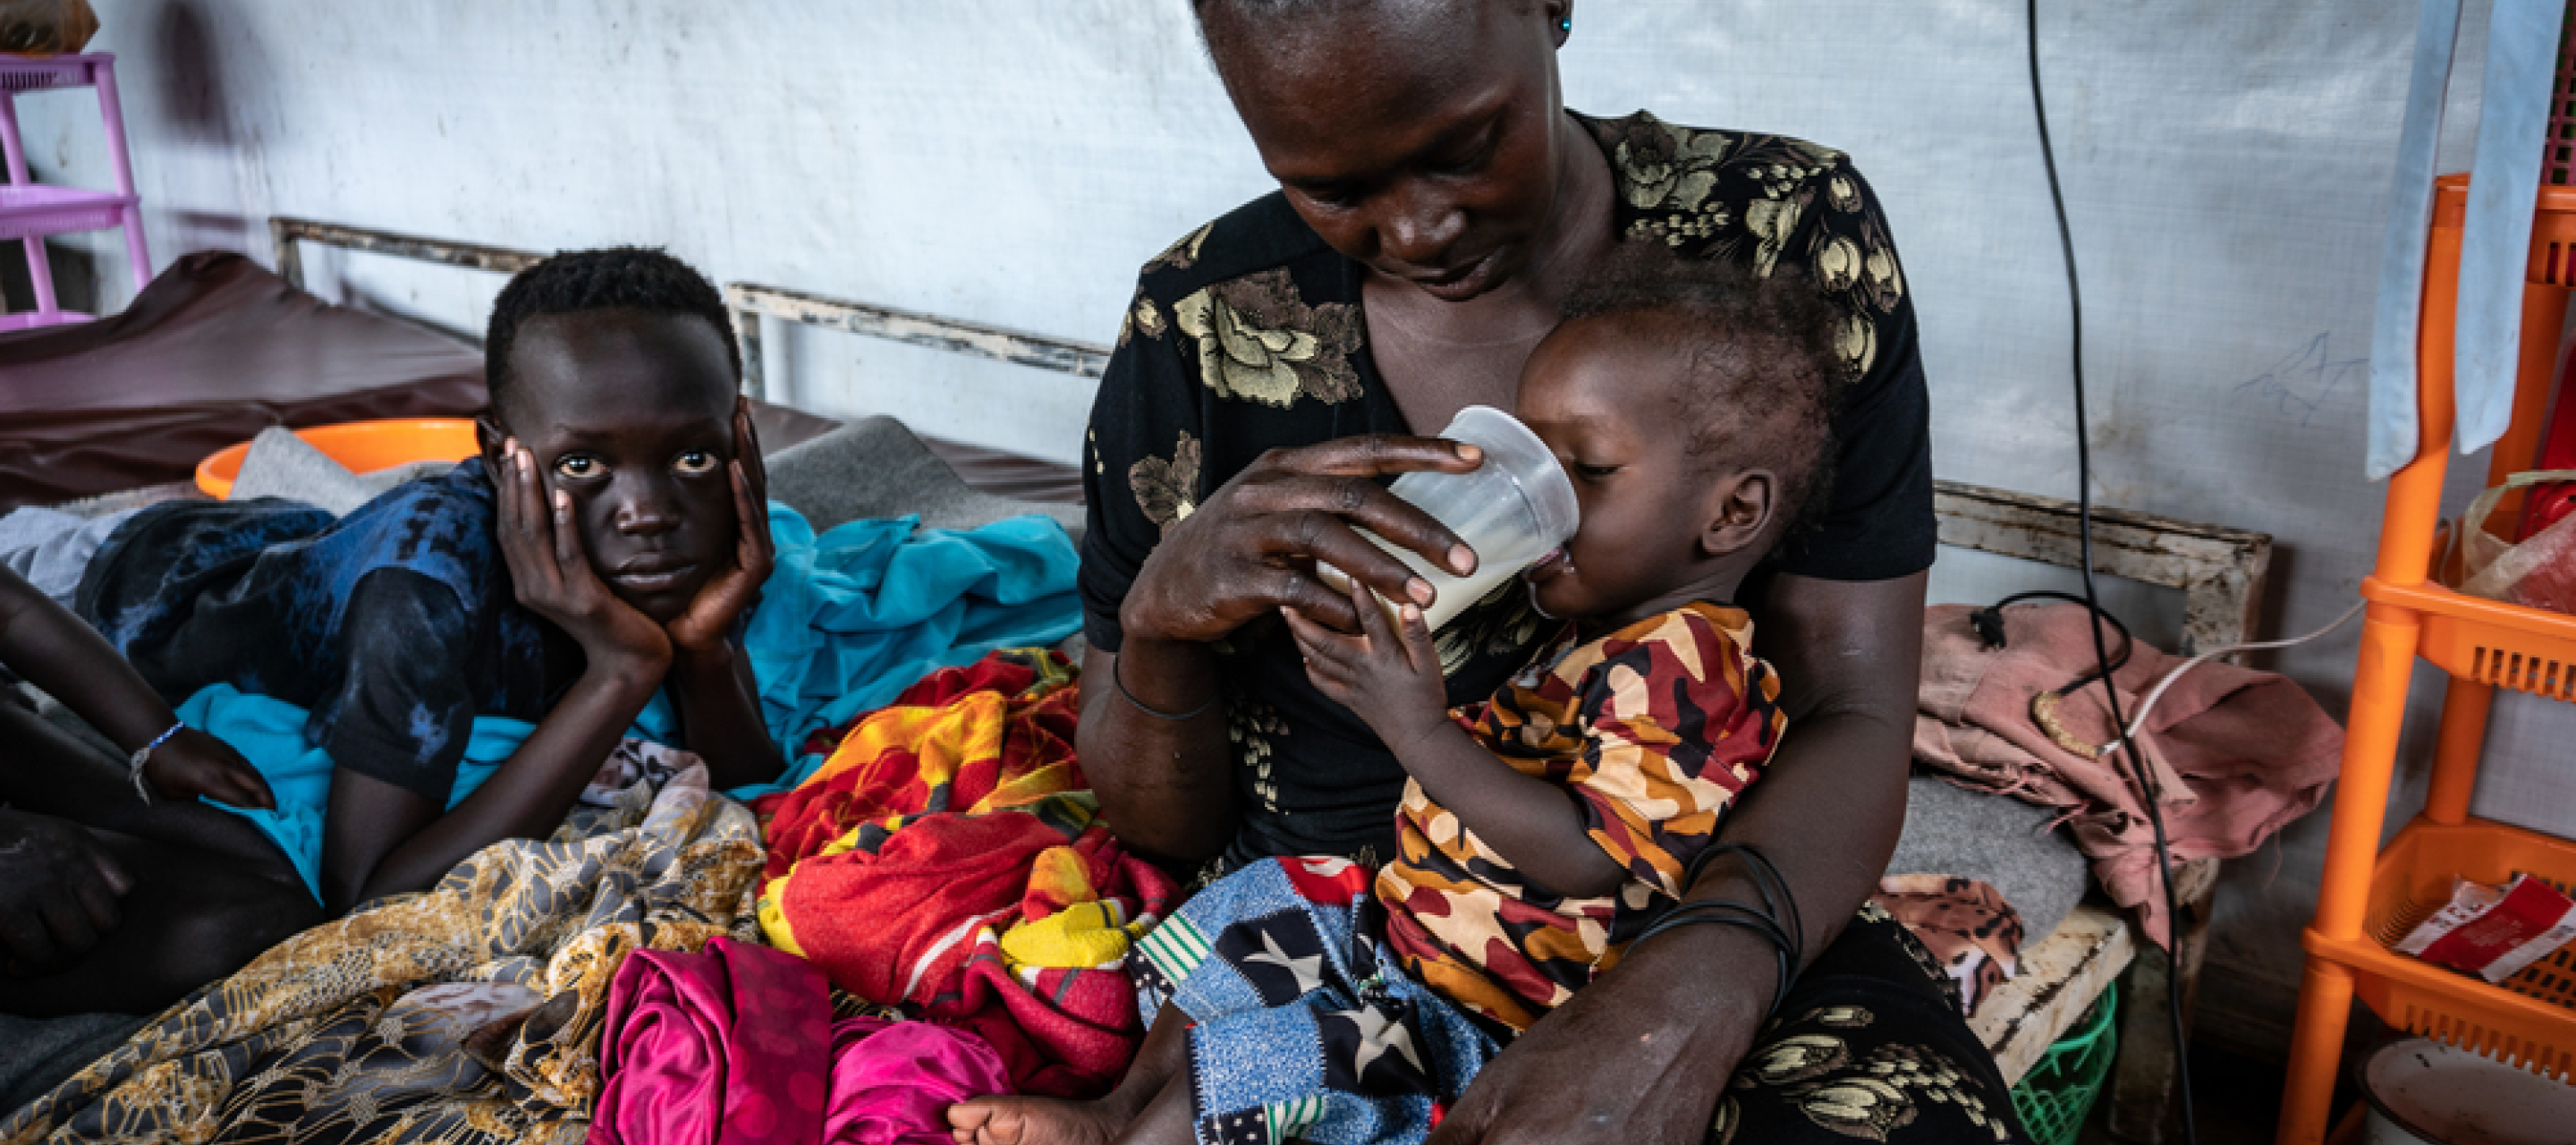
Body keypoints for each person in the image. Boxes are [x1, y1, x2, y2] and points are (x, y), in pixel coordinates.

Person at [1073, 1, 2021, 1141]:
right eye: (1331, 189)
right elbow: (1158, 825)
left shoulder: (1775, 234)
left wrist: (1683, 999)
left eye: (1464, 146)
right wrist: (1160, 622)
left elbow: (1853, 700)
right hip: (1349, 916)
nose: (1419, 230)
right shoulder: (1198, 323)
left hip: (1684, 894)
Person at [956, 254, 1837, 1145]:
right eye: (1529, 455)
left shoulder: (1690, 665)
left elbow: (1590, 857)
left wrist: (1414, 724)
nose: (1544, 499)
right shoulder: (1603, 623)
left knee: (1277, 1061)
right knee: (1261, 904)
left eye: (1592, 468)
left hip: (1482, 1015)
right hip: (1401, 932)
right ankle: (1118, 1111)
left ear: (1732, 513)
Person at [0, 249, 785, 1015]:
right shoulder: (423, 590)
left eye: (691, 454)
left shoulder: (699, 529)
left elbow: (752, 781)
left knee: (330, 544)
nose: (647, 512)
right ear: (497, 456)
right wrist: (619, 672)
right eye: (582, 465)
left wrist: (703, 647)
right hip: (139, 582)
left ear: (739, 439)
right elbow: (370, 894)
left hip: (303, 545)